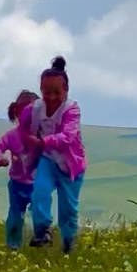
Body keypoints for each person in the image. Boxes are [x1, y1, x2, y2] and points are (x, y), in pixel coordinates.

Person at [28, 57, 86, 253]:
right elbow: (23, 127)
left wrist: (44, 141)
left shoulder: (72, 109)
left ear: (66, 91)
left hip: (71, 165)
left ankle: (68, 243)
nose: (51, 97)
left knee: (68, 208)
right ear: (41, 91)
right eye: (47, 93)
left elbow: (68, 136)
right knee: (40, 192)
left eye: (56, 93)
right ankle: (43, 230)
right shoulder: (36, 109)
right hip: (48, 159)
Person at [0, 90, 39, 251]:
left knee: (39, 212)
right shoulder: (12, 136)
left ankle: (39, 239)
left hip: (37, 183)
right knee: (15, 215)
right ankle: (13, 245)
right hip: (17, 184)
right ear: (17, 112)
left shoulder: (42, 136)